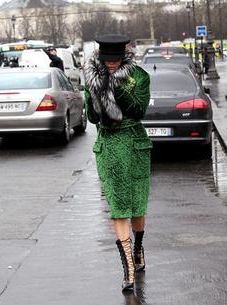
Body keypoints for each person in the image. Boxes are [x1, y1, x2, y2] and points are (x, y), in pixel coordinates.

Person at [83, 34, 151, 292]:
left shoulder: (141, 77)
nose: (110, 65)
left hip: (134, 144)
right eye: (106, 60)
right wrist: (93, 92)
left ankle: (138, 248)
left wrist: (116, 86)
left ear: (123, 56)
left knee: (137, 204)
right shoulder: (93, 78)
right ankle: (128, 270)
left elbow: (138, 109)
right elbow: (91, 118)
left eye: (115, 60)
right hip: (109, 146)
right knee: (118, 205)